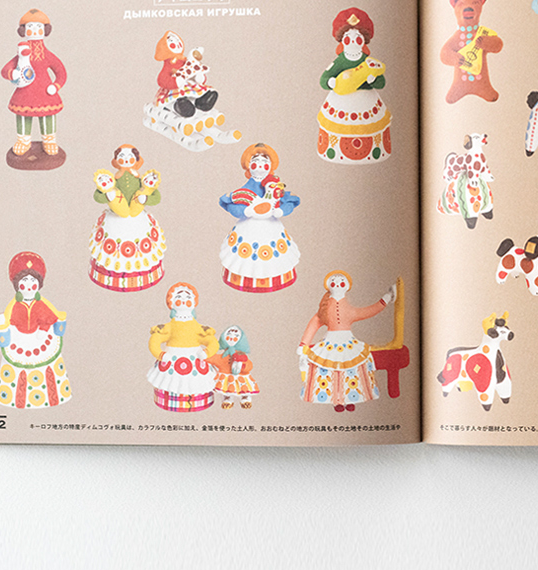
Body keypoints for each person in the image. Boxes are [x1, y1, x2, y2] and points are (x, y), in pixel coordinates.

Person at [298, 271, 395, 412]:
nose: (338, 284)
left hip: (348, 342)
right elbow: (315, 323)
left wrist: (385, 300)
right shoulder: (324, 309)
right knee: (329, 369)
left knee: (352, 369)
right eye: (334, 282)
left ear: (347, 286)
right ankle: (335, 400)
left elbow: (368, 311)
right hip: (329, 342)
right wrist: (303, 344)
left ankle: (350, 398)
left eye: (341, 282)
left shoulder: (349, 309)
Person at [0, 252, 71, 408]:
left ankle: (50, 397)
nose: (28, 286)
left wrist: (44, 329)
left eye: (33, 281)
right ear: (17, 285)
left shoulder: (42, 304)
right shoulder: (14, 306)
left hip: (41, 339)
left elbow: (50, 317)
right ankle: (14, 398)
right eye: (24, 281)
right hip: (18, 339)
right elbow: (7, 321)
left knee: (46, 367)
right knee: (16, 368)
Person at [218, 143, 301, 292]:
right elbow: (233, 206)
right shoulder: (244, 191)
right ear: (248, 165)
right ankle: (244, 280)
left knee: (274, 254)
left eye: (265, 161)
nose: (261, 164)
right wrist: (247, 211)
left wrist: (280, 211)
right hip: (248, 228)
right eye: (256, 161)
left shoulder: (275, 187)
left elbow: (288, 201)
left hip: (271, 227)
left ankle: (274, 280)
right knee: (244, 256)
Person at [316, 8, 391, 163]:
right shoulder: (340, 61)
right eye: (348, 39)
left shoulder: (367, 61)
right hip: (341, 101)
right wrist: (331, 82)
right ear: (342, 41)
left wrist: (372, 80)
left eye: (357, 39)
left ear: (363, 41)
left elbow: (381, 82)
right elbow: (324, 78)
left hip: (367, 101)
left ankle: (372, 151)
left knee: (370, 127)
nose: (352, 43)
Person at [89, 144, 166, 292]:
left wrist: (146, 199)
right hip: (115, 217)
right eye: (121, 157)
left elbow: (156, 197)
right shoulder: (112, 180)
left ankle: (142, 275)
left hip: (138, 216)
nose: (125, 160)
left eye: (130, 157)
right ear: (115, 161)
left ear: (137, 160)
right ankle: (107, 275)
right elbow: (97, 196)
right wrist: (106, 195)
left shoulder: (141, 181)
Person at [0, 8, 66, 167]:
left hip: (46, 93)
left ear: (45, 30)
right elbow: (5, 69)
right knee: (23, 115)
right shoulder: (21, 54)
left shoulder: (47, 55)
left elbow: (61, 72)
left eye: (38, 27)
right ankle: (23, 141)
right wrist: (12, 73)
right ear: (23, 30)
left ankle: (49, 140)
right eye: (30, 27)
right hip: (25, 93)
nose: (34, 30)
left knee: (48, 115)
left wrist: (55, 86)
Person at [146, 283, 220, 412]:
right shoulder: (169, 327)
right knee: (169, 381)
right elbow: (155, 340)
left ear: (194, 303)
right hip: (172, 359)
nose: (184, 300)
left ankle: (198, 400)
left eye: (188, 297)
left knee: (197, 380)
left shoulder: (197, 327)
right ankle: (170, 400)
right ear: (171, 303)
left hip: (195, 359)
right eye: (179, 297)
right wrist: (160, 354)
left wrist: (207, 352)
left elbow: (211, 341)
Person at [206, 326, 259, 409]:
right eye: (229, 335)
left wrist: (243, 365)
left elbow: (249, 365)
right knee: (226, 387)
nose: (231, 338)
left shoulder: (242, 355)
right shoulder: (223, 356)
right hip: (226, 375)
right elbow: (215, 359)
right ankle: (227, 398)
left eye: (236, 336)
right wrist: (204, 356)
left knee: (243, 387)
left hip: (240, 375)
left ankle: (245, 397)